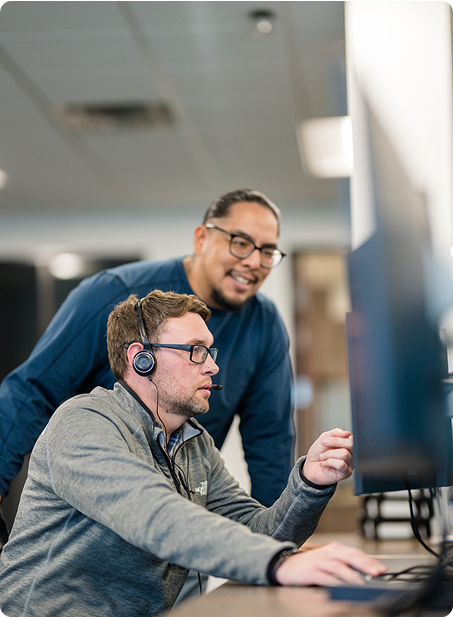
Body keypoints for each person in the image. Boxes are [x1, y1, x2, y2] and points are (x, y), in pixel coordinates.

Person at [0, 290, 385, 617]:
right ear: (141, 358)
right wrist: (277, 563)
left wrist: (310, 483)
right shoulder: (83, 421)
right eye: (196, 351)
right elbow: (151, 514)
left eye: (210, 351)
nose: (214, 366)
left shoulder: (193, 442)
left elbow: (257, 531)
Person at [0, 189, 293, 518]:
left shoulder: (264, 325)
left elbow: (271, 443)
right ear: (201, 239)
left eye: (267, 251)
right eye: (240, 242)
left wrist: (272, 553)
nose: (253, 262)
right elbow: (29, 395)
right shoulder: (113, 293)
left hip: (174, 522)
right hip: (83, 520)